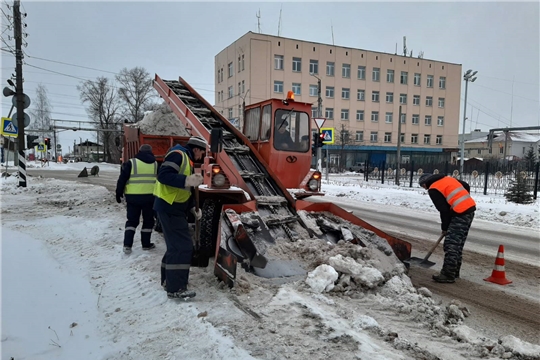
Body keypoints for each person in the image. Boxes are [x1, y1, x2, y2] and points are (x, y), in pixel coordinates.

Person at [153, 136, 207, 299]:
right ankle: (175, 288)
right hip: (169, 208)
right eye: (202, 153)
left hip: (173, 207)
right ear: (196, 149)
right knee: (182, 247)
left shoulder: (187, 160)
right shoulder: (178, 154)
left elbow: (185, 190)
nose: (202, 157)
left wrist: (191, 207)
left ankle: (168, 281)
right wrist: (188, 179)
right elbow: (163, 176)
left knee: (174, 247)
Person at [418, 173, 476, 283]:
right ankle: (454, 271)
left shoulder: (433, 189)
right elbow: (466, 185)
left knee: (451, 244)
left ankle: (448, 275)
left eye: (423, 186)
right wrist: (461, 200)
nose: (425, 189)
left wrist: (445, 227)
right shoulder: (446, 179)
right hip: (470, 209)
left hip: (460, 213)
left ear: (425, 183)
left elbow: (443, 210)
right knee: (458, 243)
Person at [116, 144, 158, 254]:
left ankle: (127, 245)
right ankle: (146, 244)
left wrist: (118, 192)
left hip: (133, 198)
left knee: (132, 221)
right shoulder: (155, 164)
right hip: (150, 198)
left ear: (139, 151)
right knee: (148, 221)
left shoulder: (132, 162)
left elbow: (122, 178)